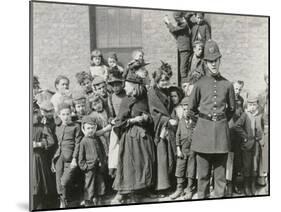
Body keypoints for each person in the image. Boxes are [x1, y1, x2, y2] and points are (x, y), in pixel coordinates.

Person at [188, 40, 235, 199]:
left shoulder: (227, 85)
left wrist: (219, 120)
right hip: (203, 136)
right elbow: (191, 110)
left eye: (216, 60)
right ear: (205, 62)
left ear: (220, 60)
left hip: (221, 135)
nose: (213, 64)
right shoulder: (199, 84)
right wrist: (203, 123)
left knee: (220, 178)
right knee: (202, 178)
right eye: (210, 61)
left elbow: (232, 109)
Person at [111, 72, 155, 204]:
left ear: (135, 86)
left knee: (144, 163)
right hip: (130, 138)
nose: (125, 88)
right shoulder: (126, 100)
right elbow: (119, 122)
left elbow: (151, 116)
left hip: (144, 137)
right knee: (130, 165)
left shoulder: (144, 98)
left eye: (128, 86)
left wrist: (145, 118)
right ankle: (123, 193)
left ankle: (143, 190)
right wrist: (132, 121)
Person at [148, 61, 176, 196]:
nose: (165, 82)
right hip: (158, 130)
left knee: (169, 156)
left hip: (168, 128)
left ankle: (169, 184)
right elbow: (154, 113)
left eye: (167, 79)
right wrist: (166, 120)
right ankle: (161, 187)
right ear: (157, 80)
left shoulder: (167, 92)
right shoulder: (153, 93)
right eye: (163, 80)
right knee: (161, 158)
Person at [231, 94, 264, 196]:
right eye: (250, 105)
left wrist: (259, 138)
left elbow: (260, 129)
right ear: (247, 106)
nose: (252, 107)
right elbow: (236, 126)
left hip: (257, 145)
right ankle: (246, 187)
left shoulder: (259, 116)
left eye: (254, 104)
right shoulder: (245, 115)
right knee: (247, 166)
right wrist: (245, 136)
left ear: (257, 105)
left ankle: (252, 185)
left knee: (254, 165)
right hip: (247, 146)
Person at [52, 103, 83, 208]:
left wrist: (74, 159)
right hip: (59, 157)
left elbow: (78, 143)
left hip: (70, 158)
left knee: (64, 181)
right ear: (59, 115)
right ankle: (63, 202)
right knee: (58, 181)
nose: (66, 116)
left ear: (71, 114)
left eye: (68, 114)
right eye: (63, 114)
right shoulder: (57, 127)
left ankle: (65, 200)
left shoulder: (76, 126)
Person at [169, 97, 197, 200]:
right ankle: (179, 189)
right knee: (180, 169)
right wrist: (178, 149)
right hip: (182, 150)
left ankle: (189, 189)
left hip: (192, 150)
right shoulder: (181, 122)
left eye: (188, 109)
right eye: (184, 109)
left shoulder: (195, 122)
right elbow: (178, 136)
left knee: (191, 170)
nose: (186, 111)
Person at [32, 104, 57, 210]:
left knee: (39, 184)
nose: (34, 116)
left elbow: (51, 141)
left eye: (35, 113)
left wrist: (38, 144)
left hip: (37, 159)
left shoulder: (42, 127)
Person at [78, 116, 107, 206]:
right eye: (88, 128)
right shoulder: (83, 141)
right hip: (89, 167)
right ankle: (88, 200)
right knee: (89, 183)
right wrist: (85, 166)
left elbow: (102, 151)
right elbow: (81, 157)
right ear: (83, 129)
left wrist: (103, 161)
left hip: (98, 165)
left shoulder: (96, 139)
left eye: (93, 128)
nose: (91, 130)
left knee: (100, 181)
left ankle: (99, 197)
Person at [107, 71, 127, 177]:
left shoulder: (127, 95)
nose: (115, 88)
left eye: (117, 85)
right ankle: (114, 171)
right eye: (113, 85)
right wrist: (111, 120)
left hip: (126, 124)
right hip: (116, 126)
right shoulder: (111, 97)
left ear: (122, 84)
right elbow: (110, 115)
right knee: (114, 148)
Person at [164, 11, 191, 84]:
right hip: (182, 48)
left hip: (185, 49)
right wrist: (167, 24)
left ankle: (185, 86)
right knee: (182, 69)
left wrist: (168, 22)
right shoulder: (182, 24)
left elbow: (173, 29)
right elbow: (174, 32)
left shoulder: (184, 24)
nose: (176, 20)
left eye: (176, 18)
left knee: (183, 70)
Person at [228, 80, 245, 195]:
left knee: (237, 160)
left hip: (237, 134)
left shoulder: (241, 100)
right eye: (236, 89)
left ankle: (235, 184)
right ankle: (227, 185)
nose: (237, 91)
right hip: (228, 132)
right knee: (228, 159)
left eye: (239, 89)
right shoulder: (226, 98)